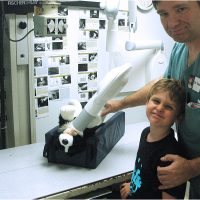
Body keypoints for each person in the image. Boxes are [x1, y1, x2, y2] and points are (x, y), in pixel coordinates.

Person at [101, 1, 200, 198]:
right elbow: (163, 85)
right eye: (163, 13)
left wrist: (192, 167)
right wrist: (119, 104)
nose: (172, 23)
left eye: (181, 9)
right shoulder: (180, 50)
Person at [120, 78, 186, 199]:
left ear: (178, 117)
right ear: (147, 102)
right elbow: (144, 173)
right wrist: (133, 186)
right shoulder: (145, 133)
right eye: (156, 101)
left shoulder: (170, 155)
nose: (160, 108)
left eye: (169, 107)